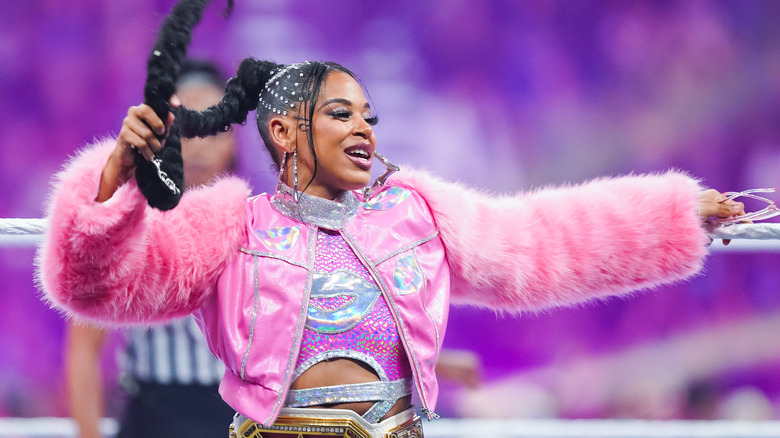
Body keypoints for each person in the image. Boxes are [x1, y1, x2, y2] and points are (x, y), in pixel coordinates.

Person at [37, 1, 746, 437]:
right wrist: (109, 193)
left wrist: (676, 216)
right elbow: (96, 287)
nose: (364, 131)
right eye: (340, 115)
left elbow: (539, 244)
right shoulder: (233, 225)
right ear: (283, 133)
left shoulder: (418, 210)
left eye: (368, 117)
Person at [65, 59, 237, 438]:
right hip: (152, 414)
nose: (197, 145)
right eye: (184, 128)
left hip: (235, 415)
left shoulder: (257, 221)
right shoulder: (127, 220)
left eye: (210, 128)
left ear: (231, 139)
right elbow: (83, 348)